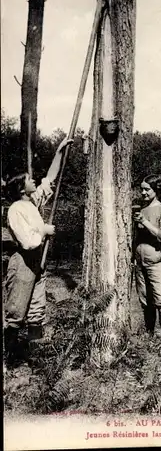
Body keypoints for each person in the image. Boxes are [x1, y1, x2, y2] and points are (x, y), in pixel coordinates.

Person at [3, 137, 73, 367]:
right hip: (23, 263)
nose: (34, 181)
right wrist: (44, 230)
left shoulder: (33, 202)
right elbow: (28, 242)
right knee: (16, 313)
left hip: (37, 264)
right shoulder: (15, 210)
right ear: (22, 188)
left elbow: (49, 181)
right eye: (29, 180)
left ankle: (34, 359)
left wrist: (59, 152)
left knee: (36, 311)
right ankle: (10, 361)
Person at [133, 174, 161, 338]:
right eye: (141, 189)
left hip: (157, 262)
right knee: (146, 302)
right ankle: (149, 337)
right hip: (140, 263)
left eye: (147, 189)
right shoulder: (140, 210)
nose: (143, 193)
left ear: (156, 190)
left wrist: (145, 222)